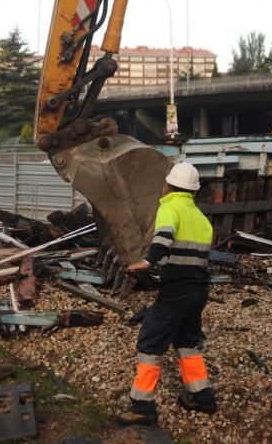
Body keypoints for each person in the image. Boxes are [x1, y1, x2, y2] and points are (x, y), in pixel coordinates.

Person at [116, 161, 217, 427]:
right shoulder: (203, 220)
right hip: (198, 291)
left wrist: (149, 261)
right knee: (187, 342)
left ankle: (142, 407)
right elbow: (191, 258)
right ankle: (202, 397)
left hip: (176, 292)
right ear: (193, 191)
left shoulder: (169, 207)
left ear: (168, 185)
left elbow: (165, 236)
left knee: (150, 344)